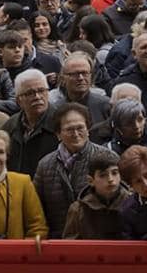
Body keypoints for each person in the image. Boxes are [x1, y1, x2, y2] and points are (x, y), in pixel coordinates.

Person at [33, 102, 118, 238]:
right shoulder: (45, 165)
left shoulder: (108, 157)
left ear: (88, 129)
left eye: (80, 128)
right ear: (58, 134)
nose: (76, 134)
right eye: (69, 129)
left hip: (98, 241)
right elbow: (36, 208)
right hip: (58, 241)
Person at [62, 151, 133, 240]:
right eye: (103, 175)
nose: (110, 179)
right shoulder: (78, 210)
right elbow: (70, 245)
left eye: (114, 173)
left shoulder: (133, 204)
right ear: (91, 181)